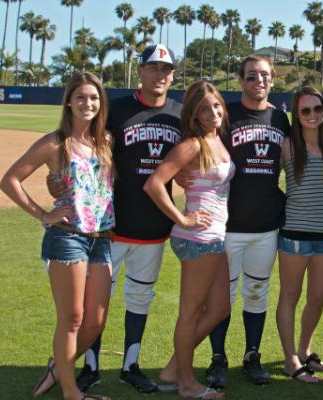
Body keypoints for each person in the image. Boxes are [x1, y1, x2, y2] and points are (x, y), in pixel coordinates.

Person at [160, 54, 290, 388]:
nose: (257, 81)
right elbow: (185, 157)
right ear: (240, 80)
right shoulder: (226, 113)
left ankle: (252, 355)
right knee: (218, 301)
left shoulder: (280, 119)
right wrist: (180, 186)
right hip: (224, 228)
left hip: (263, 222)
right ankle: (214, 360)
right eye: (250, 76)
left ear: (272, 79)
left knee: (254, 292)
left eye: (263, 76)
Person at [70, 44, 185, 394]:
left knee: (140, 298)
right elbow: (84, 152)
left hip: (154, 229)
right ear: (140, 71)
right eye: (153, 68)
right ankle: (90, 366)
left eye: (166, 69)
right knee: (97, 302)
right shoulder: (116, 110)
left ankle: (130, 365)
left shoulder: (180, 114)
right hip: (112, 228)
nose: (160, 74)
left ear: (173, 75)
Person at [0, 72, 113, 400]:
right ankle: (71, 391)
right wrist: (43, 214)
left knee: (95, 321)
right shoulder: (55, 142)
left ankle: (56, 367)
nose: (87, 104)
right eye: (80, 97)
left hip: (102, 238)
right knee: (73, 318)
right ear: (69, 102)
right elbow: (10, 180)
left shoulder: (106, 141)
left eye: (93, 98)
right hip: (67, 237)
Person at [144, 81, 232, 400]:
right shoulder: (193, 145)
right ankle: (186, 383)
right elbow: (154, 183)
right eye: (204, 108)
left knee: (220, 307)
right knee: (191, 312)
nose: (213, 112)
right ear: (193, 114)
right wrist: (182, 218)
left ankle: (171, 369)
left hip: (214, 237)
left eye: (217, 105)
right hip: (197, 238)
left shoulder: (216, 140)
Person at [276, 86, 323, 383]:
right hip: (294, 235)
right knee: (290, 296)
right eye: (305, 110)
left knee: (317, 297)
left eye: (317, 109)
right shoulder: (287, 145)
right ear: (296, 115)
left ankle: (304, 350)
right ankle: (290, 360)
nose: (312, 115)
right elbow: (264, 180)